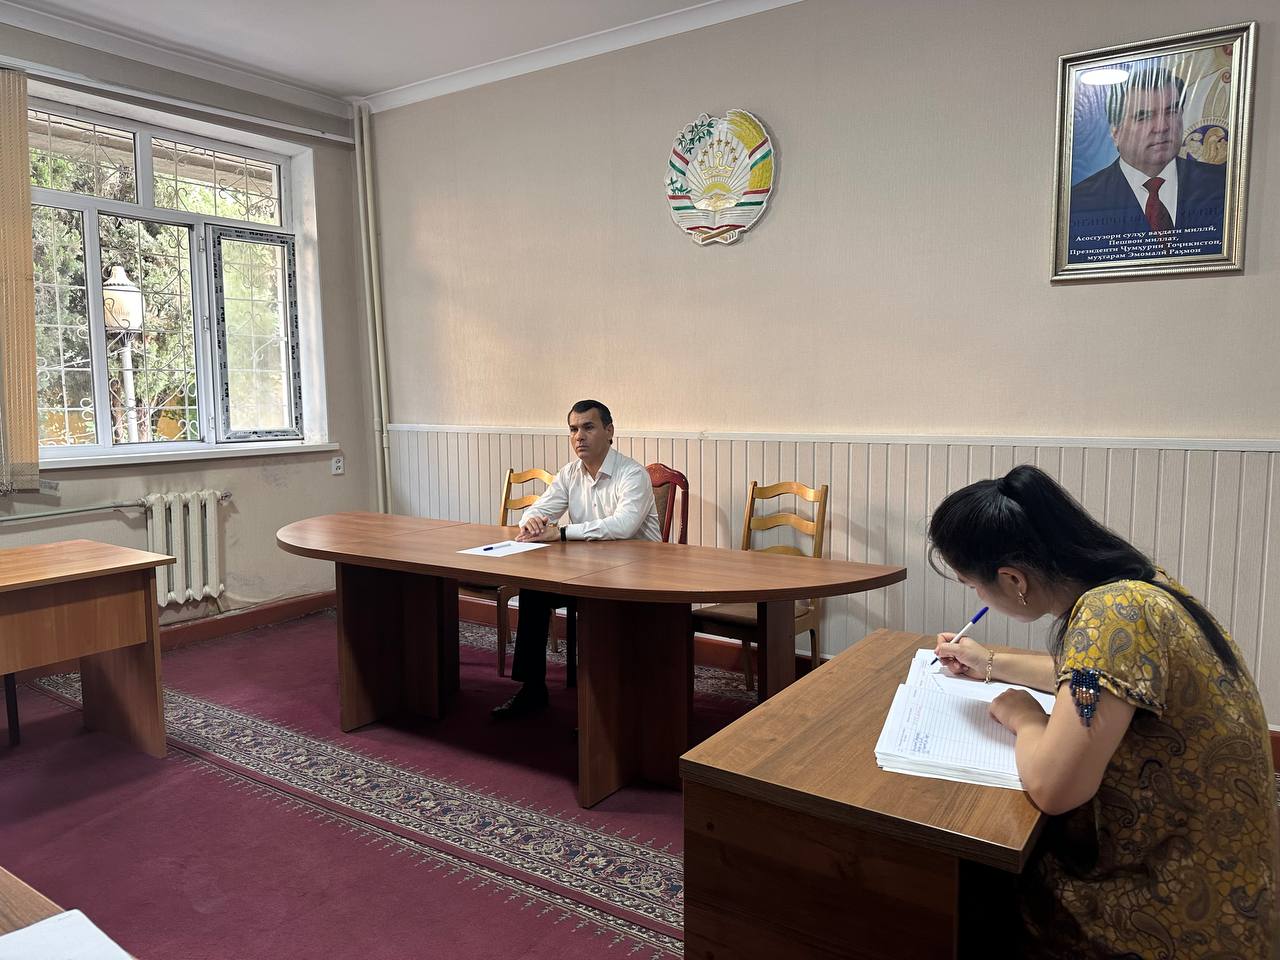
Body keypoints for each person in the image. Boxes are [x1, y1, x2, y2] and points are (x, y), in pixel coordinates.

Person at [928, 465, 1276, 958]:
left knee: (974, 880)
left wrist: (1025, 717)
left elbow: (1056, 788)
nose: (977, 597)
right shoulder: (1133, 587)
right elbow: (1088, 681)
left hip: (1178, 905)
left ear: (1013, 579)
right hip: (1230, 868)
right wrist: (990, 663)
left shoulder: (1109, 617)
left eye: (973, 586)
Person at [490, 399, 661, 719]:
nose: (579, 436)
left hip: (637, 576)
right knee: (534, 591)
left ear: (609, 431)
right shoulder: (570, 473)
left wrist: (561, 533)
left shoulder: (632, 473)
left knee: (600, 604)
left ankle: (607, 708)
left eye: (588, 427)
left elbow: (623, 526)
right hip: (591, 573)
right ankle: (532, 689)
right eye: (573, 429)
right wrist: (532, 521)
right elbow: (540, 509)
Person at [1068, 64, 1226, 263]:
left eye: (1171, 111)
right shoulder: (1078, 204)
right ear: (1116, 133)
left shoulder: (1223, 185)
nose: (1162, 127)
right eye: (1143, 117)